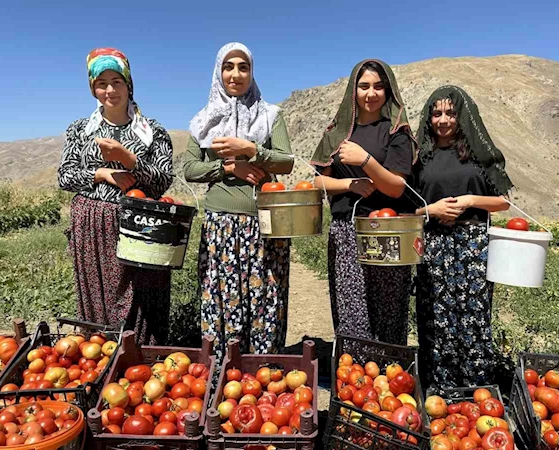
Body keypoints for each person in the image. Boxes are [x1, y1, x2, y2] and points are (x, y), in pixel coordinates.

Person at [183, 42, 294, 361]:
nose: (236, 74)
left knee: (265, 300)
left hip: (265, 226)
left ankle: (263, 373)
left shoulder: (271, 115)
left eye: (243, 67)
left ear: (252, 72)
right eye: (228, 66)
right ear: (218, 72)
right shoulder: (203, 120)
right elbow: (190, 168)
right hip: (220, 227)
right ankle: (223, 375)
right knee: (222, 300)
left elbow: (286, 161)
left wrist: (250, 149)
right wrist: (227, 166)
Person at [57, 47, 174, 344]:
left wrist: (128, 159)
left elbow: (162, 182)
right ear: (93, 88)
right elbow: (65, 176)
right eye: (101, 83)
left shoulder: (153, 132)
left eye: (117, 81)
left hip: (142, 225)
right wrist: (101, 173)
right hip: (92, 226)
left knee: (144, 293)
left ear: (129, 84)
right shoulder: (80, 130)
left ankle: (144, 357)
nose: (110, 90)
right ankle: (100, 356)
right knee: (99, 291)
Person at [413, 85, 514, 391]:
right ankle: (438, 389)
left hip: (473, 244)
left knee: (473, 314)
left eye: (451, 113)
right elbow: (408, 207)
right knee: (435, 316)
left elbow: (503, 202)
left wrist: (470, 200)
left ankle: (476, 387)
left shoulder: (478, 155)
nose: (443, 120)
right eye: (437, 113)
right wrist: (431, 209)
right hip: (433, 244)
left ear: (463, 116)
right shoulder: (420, 158)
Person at [310, 60, 418, 346]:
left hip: (388, 230)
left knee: (389, 306)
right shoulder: (336, 133)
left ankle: (391, 374)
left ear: (389, 91)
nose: (371, 93)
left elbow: (396, 187)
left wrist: (365, 161)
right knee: (351, 306)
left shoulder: (397, 133)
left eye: (379, 87)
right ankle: (353, 375)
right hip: (346, 231)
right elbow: (318, 182)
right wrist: (350, 184)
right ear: (353, 91)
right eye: (364, 86)